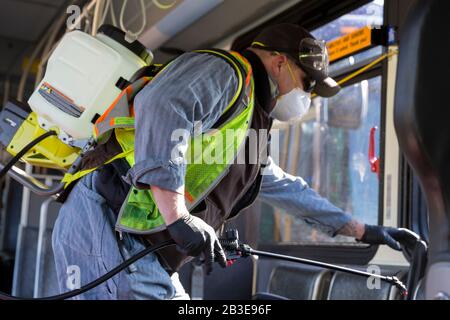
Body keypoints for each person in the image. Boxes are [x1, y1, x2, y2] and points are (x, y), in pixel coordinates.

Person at [52, 23, 413, 300]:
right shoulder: (226, 72)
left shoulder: (252, 115)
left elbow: (283, 186)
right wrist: (178, 218)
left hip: (143, 243)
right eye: (308, 84)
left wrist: (363, 231)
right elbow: (161, 107)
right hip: (108, 217)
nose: (308, 96)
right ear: (280, 62)